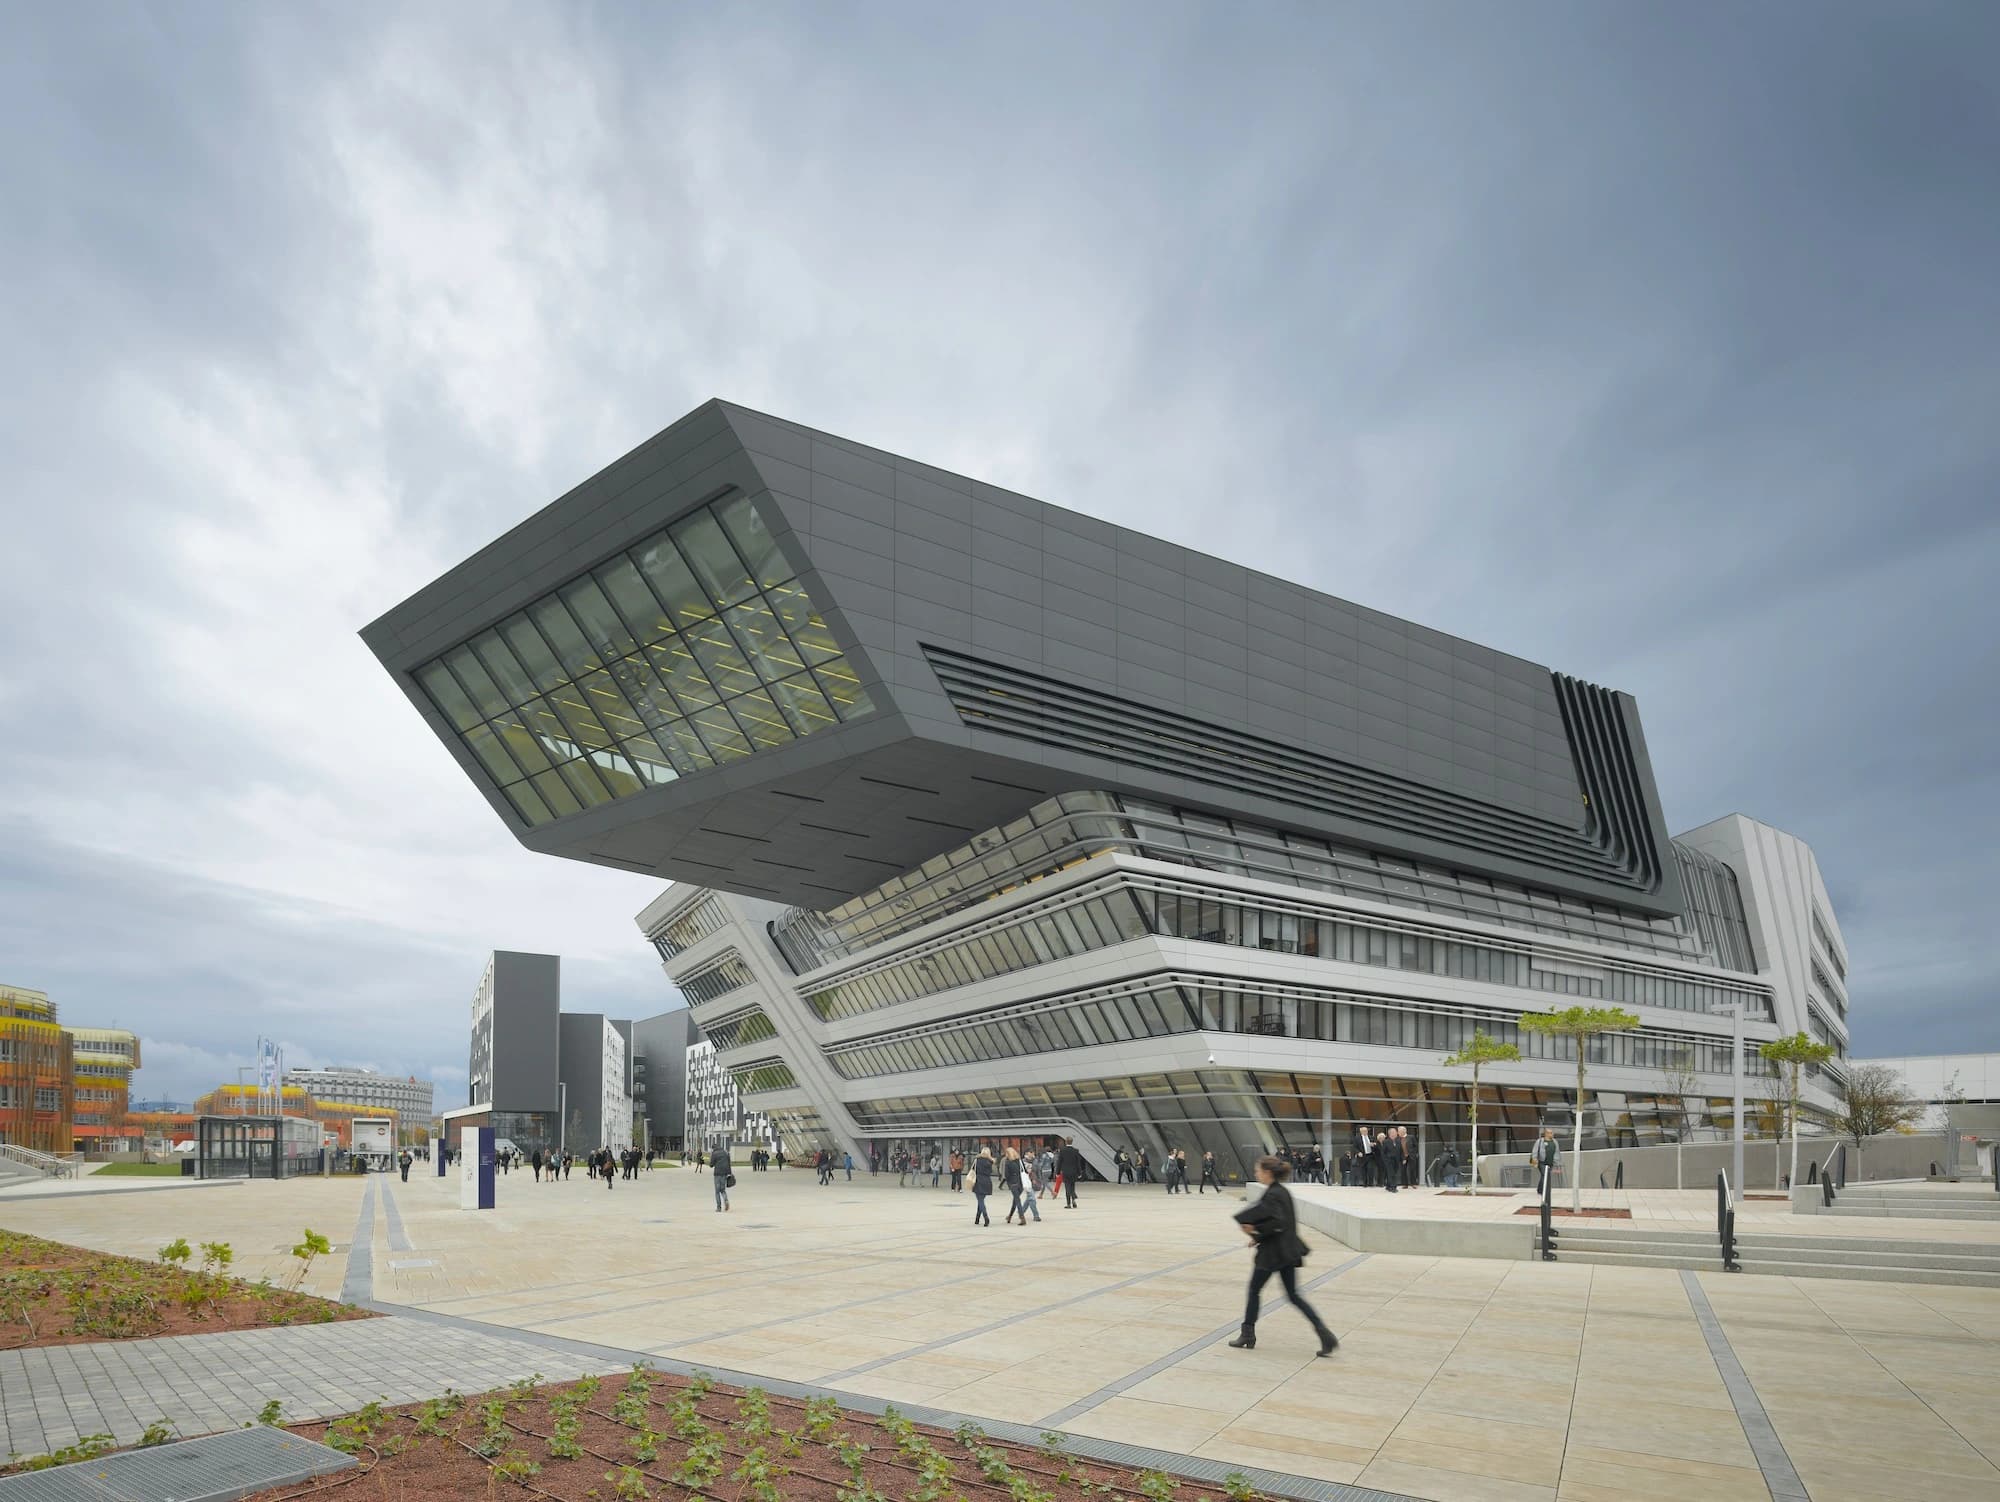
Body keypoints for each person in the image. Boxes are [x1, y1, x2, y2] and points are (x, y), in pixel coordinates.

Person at [1228, 1155, 1337, 1357]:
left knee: (1254, 1290)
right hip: (1287, 1251)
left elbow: (1277, 1223)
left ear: (1268, 1172)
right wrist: (1257, 1237)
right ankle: (1325, 1334)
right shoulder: (1281, 1191)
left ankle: (1247, 1334)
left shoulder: (1272, 1194)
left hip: (1273, 1254)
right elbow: (1280, 1223)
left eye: (1258, 1170)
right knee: (1293, 1295)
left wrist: (1255, 1230)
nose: (1256, 1173)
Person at [1056, 1139, 1084, 1209]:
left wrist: (1057, 1172)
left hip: (1065, 1172)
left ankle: (1068, 1204)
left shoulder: (1062, 1151)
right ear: (1072, 1142)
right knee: (1072, 1186)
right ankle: (1073, 1200)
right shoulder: (1076, 1151)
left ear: (1066, 1142)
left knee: (1067, 1187)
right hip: (1074, 1172)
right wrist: (1079, 1173)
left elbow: (1059, 1162)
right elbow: (1078, 1163)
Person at [1002, 1147, 1027, 1224]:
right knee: (1015, 1200)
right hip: (1021, 1183)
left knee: (1017, 1200)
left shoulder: (1008, 1162)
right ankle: (1010, 1216)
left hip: (1013, 1183)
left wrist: (1008, 1183)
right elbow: (1025, 1170)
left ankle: (1022, 1217)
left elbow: (1006, 1175)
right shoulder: (1019, 1161)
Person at [1019, 1151, 1044, 1222]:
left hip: (1035, 1181)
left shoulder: (1035, 1161)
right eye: (1030, 1152)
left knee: (1029, 1199)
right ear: (1026, 1153)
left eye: (1033, 1152)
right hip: (1027, 1182)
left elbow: (1039, 1171)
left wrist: (1040, 1180)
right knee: (1032, 1198)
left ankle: (1021, 1212)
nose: (1032, 1154)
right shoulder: (1022, 1162)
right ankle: (1036, 1216)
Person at [971, 1148, 994, 1226]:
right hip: (987, 1181)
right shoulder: (990, 1161)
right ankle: (977, 1219)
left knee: (980, 1201)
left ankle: (986, 1217)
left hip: (978, 1181)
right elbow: (990, 1172)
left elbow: (973, 1169)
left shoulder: (977, 1160)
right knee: (981, 1200)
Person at [1379, 1129, 1403, 1194]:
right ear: (1390, 1134)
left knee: (1394, 1173)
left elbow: (1401, 1151)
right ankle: (1393, 1187)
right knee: (1391, 1174)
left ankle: (1388, 1186)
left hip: (1397, 1160)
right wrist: (1385, 1160)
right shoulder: (1386, 1141)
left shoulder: (1398, 1141)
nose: (1395, 1134)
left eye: (1395, 1132)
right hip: (1389, 1161)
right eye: (1393, 1132)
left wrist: (1403, 1158)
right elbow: (1383, 1152)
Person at [713, 1141, 733, 1213]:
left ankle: (719, 1207)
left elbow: (711, 1164)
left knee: (717, 1191)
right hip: (724, 1174)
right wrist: (729, 1173)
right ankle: (726, 1200)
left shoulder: (714, 1153)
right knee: (723, 1190)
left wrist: (714, 1163)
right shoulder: (725, 1152)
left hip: (717, 1174)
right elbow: (729, 1163)